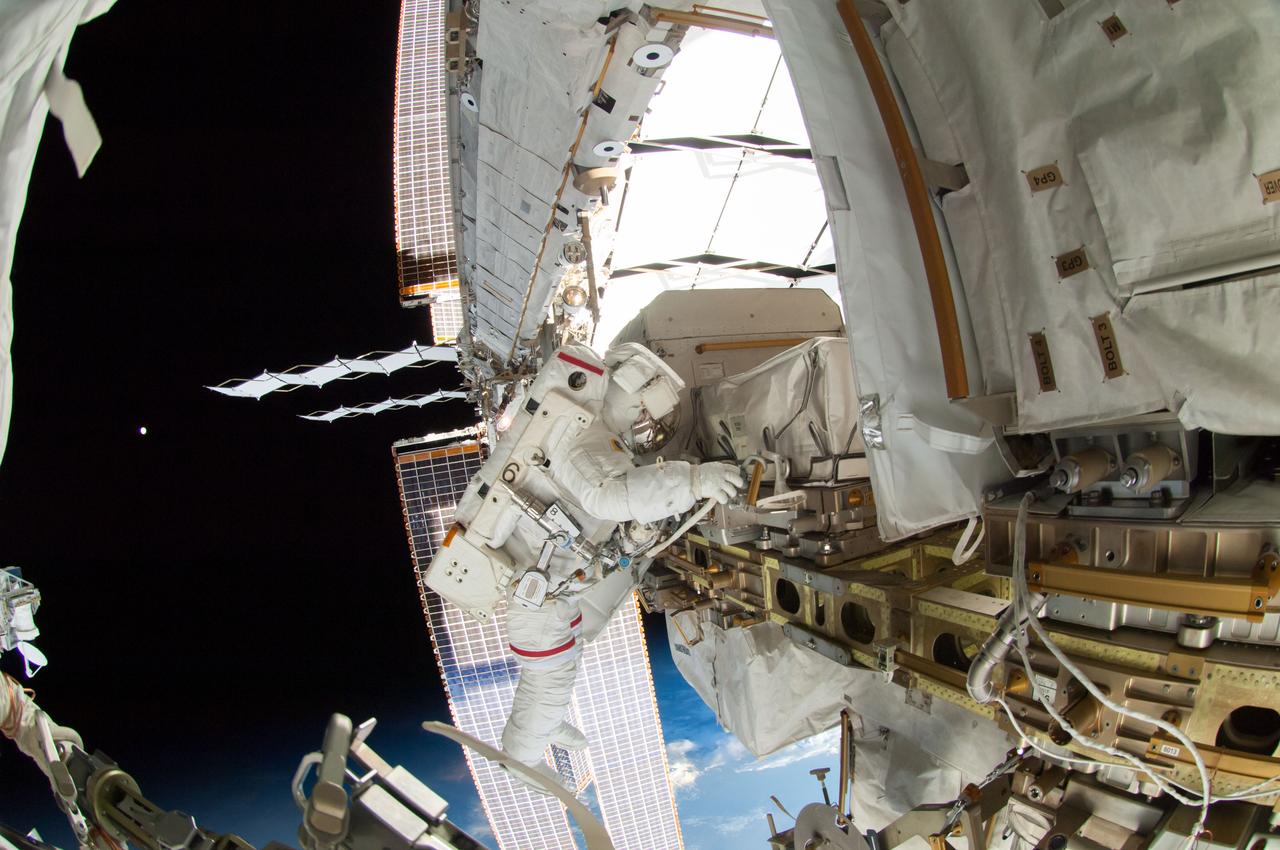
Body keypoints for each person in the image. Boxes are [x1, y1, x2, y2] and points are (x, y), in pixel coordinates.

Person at [496, 342, 743, 790]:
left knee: (556, 676)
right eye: (645, 413)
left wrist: (640, 529)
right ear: (632, 395)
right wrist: (694, 481)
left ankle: (543, 725)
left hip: (549, 599)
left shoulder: (592, 435)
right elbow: (608, 496)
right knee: (548, 684)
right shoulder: (581, 438)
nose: (645, 426)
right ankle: (521, 759)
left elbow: (605, 512)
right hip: (537, 606)